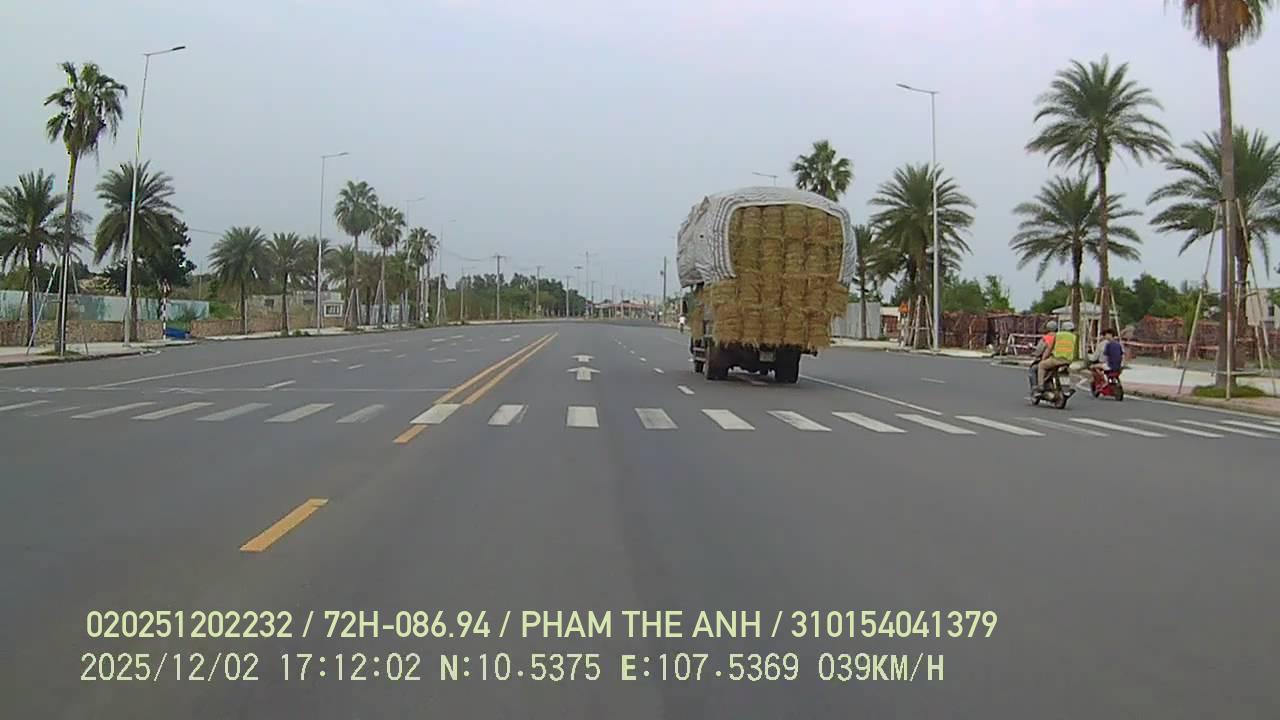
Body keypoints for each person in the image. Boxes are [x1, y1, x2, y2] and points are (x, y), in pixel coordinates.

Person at [1037, 320, 1077, 391]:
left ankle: (1041, 386)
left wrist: (1044, 358)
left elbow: (1049, 349)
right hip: (1068, 361)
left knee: (1041, 365)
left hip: (1057, 360)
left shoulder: (1058, 335)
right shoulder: (1074, 337)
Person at [1028, 320, 1057, 389]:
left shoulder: (1046, 338)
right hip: (1058, 359)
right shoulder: (1059, 337)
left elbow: (1039, 350)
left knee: (1033, 370)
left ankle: (1036, 387)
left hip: (1048, 359)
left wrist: (1034, 353)